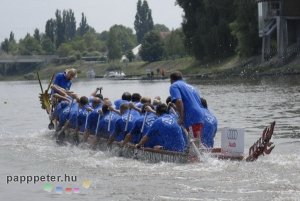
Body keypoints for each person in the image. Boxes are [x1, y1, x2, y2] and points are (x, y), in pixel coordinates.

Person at [169, 71, 206, 146]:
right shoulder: (191, 87)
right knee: (197, 142)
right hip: (200, 114)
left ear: (171, 80)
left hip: (191, 116)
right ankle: (201, 155)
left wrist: (181, 117)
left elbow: (179, 101)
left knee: (194, 143)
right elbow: (192, 102)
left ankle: (197, 157)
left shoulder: (174, 86)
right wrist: (175, 108)